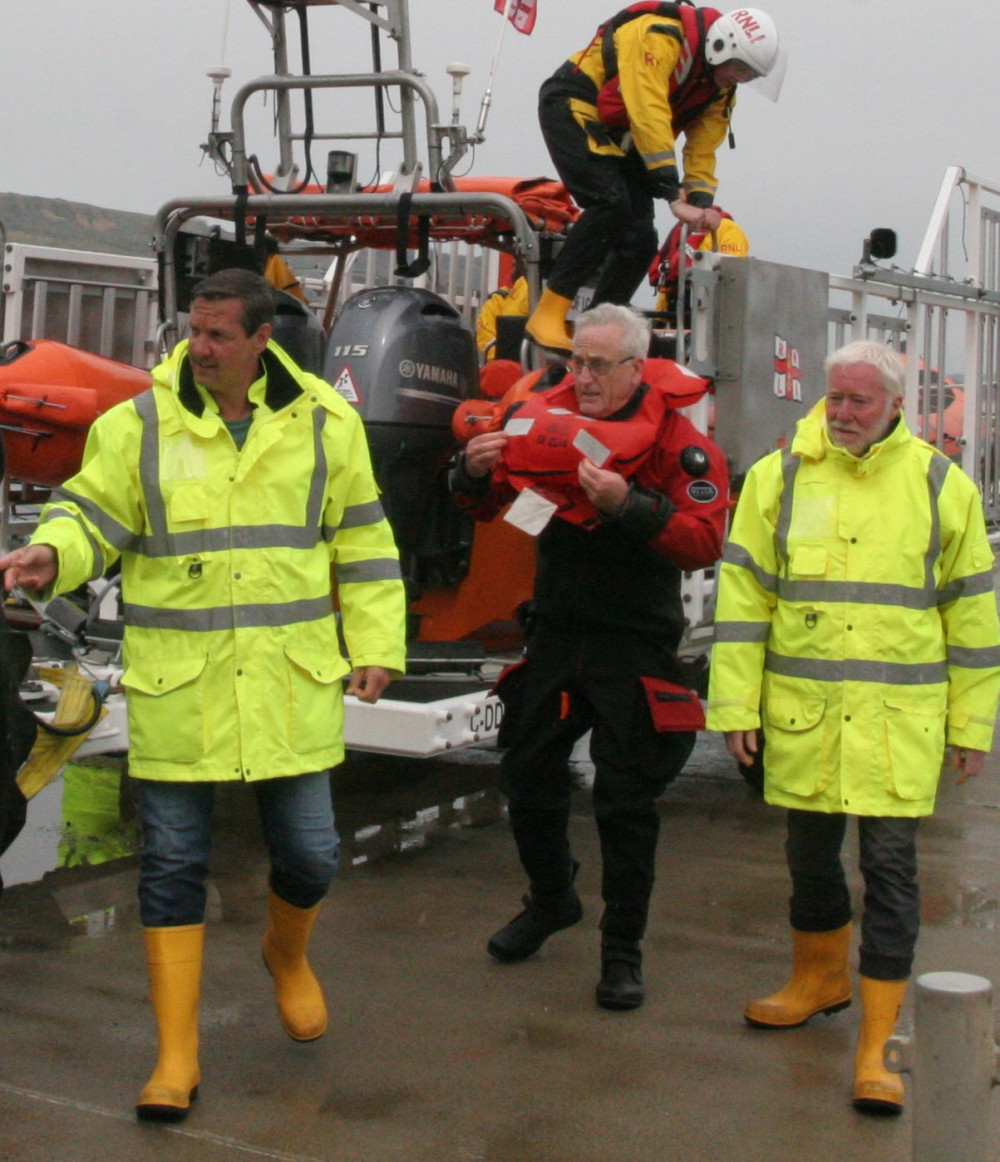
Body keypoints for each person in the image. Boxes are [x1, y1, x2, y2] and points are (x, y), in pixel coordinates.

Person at [0, 268, 407, 1122]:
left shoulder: (325, 426)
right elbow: (89, 513)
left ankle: (286, 957)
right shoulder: (137, 426)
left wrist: (376, 644)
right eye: (195, 330)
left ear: (264, 341)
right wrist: (53, 555)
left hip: (289, 686)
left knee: (310, 856)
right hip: (177, 687)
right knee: (173, 869)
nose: (202, 347)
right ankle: (175, 1055)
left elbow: (364, 542)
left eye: (221, 334)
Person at [706, 340, 1000, 1114]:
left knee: (893, 875)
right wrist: (735, 708)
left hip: (897, 726)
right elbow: (742, 603)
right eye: (834, 398)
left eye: (858, 402)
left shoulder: (942, 486)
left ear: (896, 405)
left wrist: (972, 724)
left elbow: (972, 614)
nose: (840, 413)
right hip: (804, 719)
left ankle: (878, 1041)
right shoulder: (782, 477)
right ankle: (818, 977)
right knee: (808, 857)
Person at [452, 303, 729, 1010]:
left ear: (636, 367)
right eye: (577, 362)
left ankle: (622, 948)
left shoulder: (676, 441)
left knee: (625, 799)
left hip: (633, 638)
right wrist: (473, 474)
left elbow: (703, 540)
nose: (584, 378)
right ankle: (551, 899)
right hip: (555, 630)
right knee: (524, 768)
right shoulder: (543, 414)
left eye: (600, 366)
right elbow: (498, 510)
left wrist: (630, 506)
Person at [525, 4, 779, 353]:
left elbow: (704, 145)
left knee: (640, 239)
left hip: (625, 137)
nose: (740, 79)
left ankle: (596, 331)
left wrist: (700, 202)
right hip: (576, 104)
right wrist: (670, 192)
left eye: (749, 76)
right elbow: (648, 109)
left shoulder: (720, 88)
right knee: (610, 203)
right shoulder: (659, 35)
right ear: (721, 46)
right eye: (740, 69)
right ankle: (547, 316)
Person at [649, 204, 749, 318]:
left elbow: (733, 274)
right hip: (680, 308)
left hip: (711, 310)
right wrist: (659, 319)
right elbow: (672, 278)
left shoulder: (728, 229)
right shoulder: (684, 230)